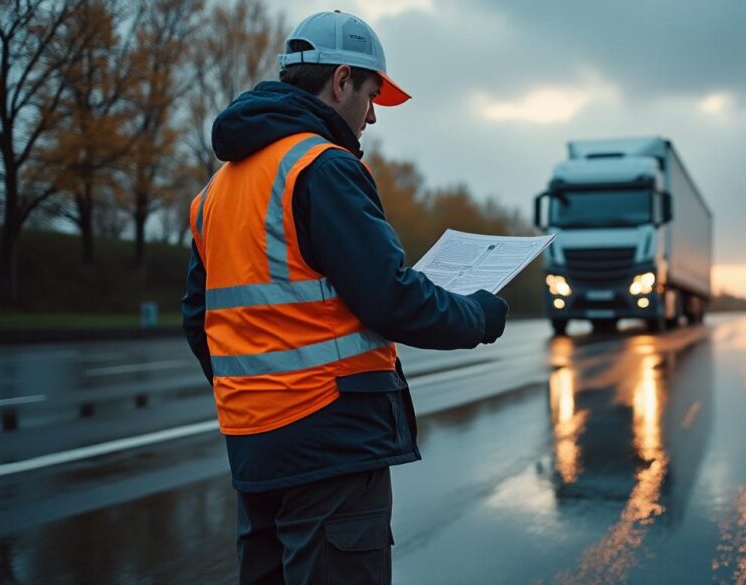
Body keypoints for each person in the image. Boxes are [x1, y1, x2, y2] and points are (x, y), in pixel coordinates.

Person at [181, 11, 508, 585]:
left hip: (254, 448)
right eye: (372, 92)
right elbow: (390, 299)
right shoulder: (322, 166)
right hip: (329, 443)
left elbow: (197, 319)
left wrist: (257, 396)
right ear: (340, 81)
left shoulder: (217, 190)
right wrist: (480, 315)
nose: (374, 113)